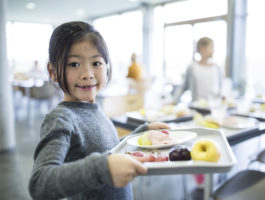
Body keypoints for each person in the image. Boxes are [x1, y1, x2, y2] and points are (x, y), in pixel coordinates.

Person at [28, 21, 170, 200]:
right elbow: (40, 184)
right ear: (53, 71)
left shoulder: (93, 108)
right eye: (74, 64)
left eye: (96, 62)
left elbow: (107, 149)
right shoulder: (61, 118)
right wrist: (102, 168)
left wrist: (140, 135)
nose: (88, 73)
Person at [173, 37, 223, 103]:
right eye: (211, 47)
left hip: (215, 107)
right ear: (202, 48)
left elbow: (220, 90)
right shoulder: (192, 67)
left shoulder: (217, 68)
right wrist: (174, 101)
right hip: (197, 107)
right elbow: (183, 87)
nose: (213, 50)